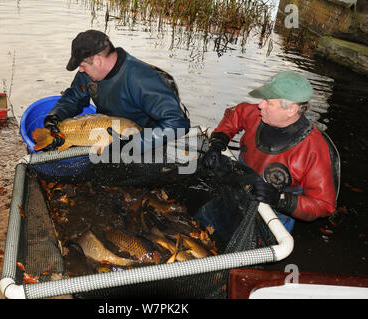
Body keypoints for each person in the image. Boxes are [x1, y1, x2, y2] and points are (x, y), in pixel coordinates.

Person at [199, 71, 338, 234]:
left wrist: (279, 199)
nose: (260, 105)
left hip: (272, 217)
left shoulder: (314, 149)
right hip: (238, 192)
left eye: (268, 102)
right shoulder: (258, 115)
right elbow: (235, 114)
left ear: (291, 110)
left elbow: (323, 205)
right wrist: (217, 143)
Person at [43, 29, 190, 153]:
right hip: (108, 134)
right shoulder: (87, 74)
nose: (80, 70)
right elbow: (74, 97)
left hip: (144, 140)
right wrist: (56, 115)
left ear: (98, 61)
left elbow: (177, 123)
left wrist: (133, 144)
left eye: (82, 65)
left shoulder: (142, 80)